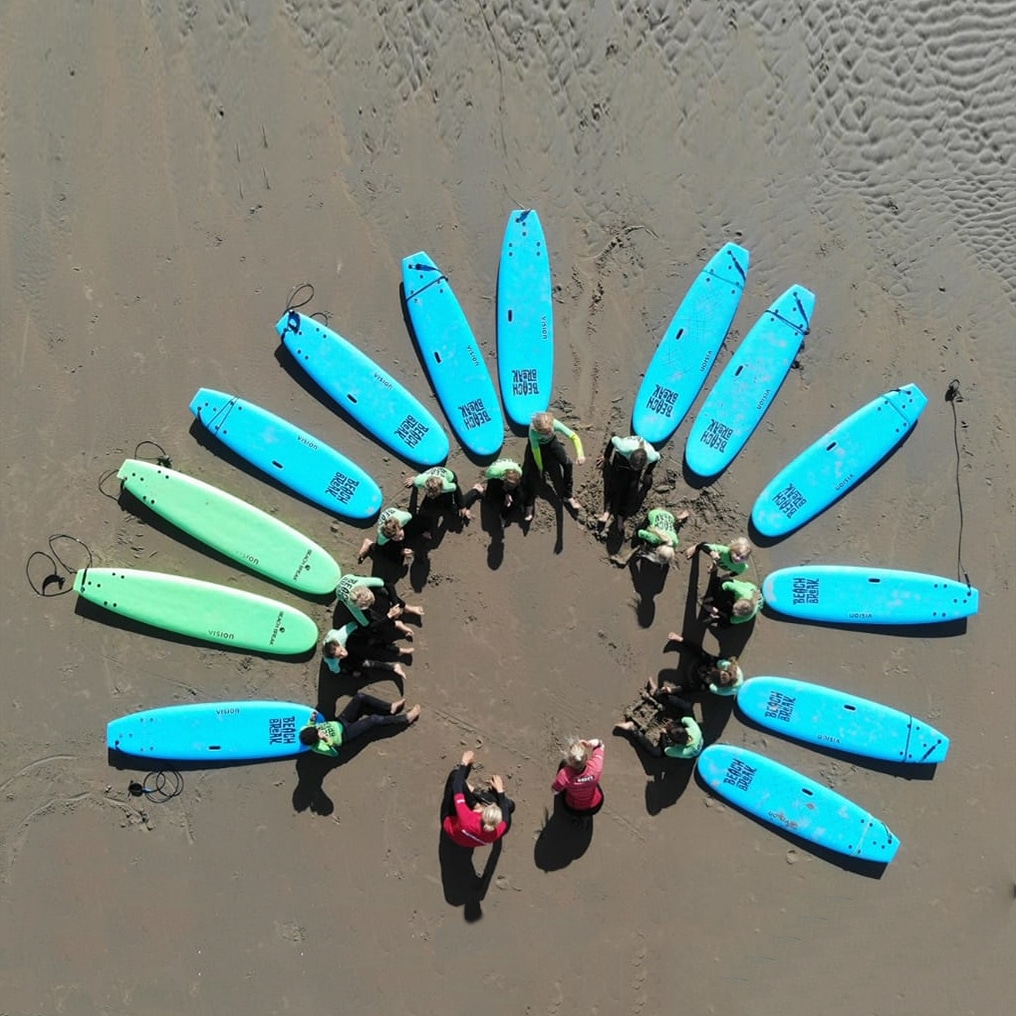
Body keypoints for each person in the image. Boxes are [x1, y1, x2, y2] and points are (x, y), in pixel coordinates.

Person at [299, 697, 421, 757]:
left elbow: (308, 726)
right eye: (317, 732)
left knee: (359, 697)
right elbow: (334, 753)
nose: (317, 729)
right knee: (374, 719)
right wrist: (326, 739)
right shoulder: (318, 747)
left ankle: (390, 707)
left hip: (340, 721)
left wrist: (312, 719)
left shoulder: (305, 731)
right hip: (345, 734)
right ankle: (405, 718)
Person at [441, 750, 514, 848]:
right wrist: (500, 791)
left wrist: (464, 763)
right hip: (469, 839)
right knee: (509, 805)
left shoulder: (466, 817)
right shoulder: (496, 832)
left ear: (482, 814)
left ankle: (473, 794)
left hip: (451, 824)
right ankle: (475, 798)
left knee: (455, 776)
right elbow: (506, 817)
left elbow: (456, 786)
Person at [523, 411, 585, 520]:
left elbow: (574, 437)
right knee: (532, 473)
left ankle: (568, 495)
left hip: (552, 443)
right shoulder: (533, 434)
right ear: (539, 431)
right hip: (537, 447)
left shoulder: (554, 424)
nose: (549, 433)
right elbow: (536, 452)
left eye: (550, 431)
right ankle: (529, 504)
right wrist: (541, 468)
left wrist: (580, 454)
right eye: (545, 433)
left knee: (568, 463)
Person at [597, 435, 660, 531]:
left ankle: (620, 515)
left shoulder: (651, 456)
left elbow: (657, 458)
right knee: (614, 482)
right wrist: (606, 457)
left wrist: (647, 473)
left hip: (636, 463)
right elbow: (613, 439)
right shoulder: (623, 448)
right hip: (622, 459)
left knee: (632, 488)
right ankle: (607, 512)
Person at [614, 693, 704, 759]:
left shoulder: (681, 751)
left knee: (656, 753)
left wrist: (663, 734)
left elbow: (666, 749)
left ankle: (632, 729)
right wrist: (673, 724)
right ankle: (658, 693)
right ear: (685, 729)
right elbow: (684, 719)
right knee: (687, 707)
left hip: (687, 751)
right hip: (695, 739)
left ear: (674, 742)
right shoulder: (694, 730)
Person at [335, 574, 424, 635]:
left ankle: (406, 607)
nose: (371, 604)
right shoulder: (353, 605)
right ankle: (397, 624)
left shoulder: (363, 582)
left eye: (370, 601)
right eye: (367, 605)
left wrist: (395, 605)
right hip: (343, 594)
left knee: (384, 592)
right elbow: (368, 626)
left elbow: (388, 584)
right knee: (375, 621)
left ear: (367, 589)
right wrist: (389, 616)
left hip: (349, 577)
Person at [320, 624, 412, 681]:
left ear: (339, 645)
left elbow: (353, 625)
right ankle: (393, 667)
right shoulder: (332, 662)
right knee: (365, 663)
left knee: (369, 641)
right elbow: (337, 671)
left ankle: (398, 650)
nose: (343, 654)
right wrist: (351, 673)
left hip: (347, 640)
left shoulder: (340, 636)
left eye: (341, 651)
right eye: (339, 656)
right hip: (343, 653)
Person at [659, 636, 745, 695]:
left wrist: (707, 681)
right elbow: (716, 661)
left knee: (700, 688)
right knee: (704, 655)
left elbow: (711, 687)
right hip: (721, 668)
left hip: (726, 687)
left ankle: (673, 690)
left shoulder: (721, 690)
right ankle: (680, 639)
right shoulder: (727, 665)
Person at [612, 507, 689, 567]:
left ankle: (680, 517)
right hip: (653, 513)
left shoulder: (674, 541)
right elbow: (639, 532)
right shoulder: (654, 538)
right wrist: (639, 541)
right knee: (639, 532)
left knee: (670, 520)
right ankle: (639, 546)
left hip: (668, 515)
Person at [461, 457, 524, 526]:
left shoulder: (519, 472)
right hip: (495, 476)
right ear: (504, 480)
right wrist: (505, 493)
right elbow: (494, 484)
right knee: (493, 498)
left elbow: (515, 484)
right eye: (510, 485)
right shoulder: (494, 473)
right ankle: (481, 490)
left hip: (508, 473)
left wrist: (509, 493)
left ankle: (506, 513)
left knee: (519, 495)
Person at [551, 738, 605, 815]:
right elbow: (600, 744)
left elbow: (555, 791)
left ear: (569, 759)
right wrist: (588, 744)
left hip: (574, 809)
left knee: (563, 763)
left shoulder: (564, 775)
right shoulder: (596, 766)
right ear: (586, 757)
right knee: (595, 778)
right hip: (595, 805)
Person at [404, 466, 470, 527]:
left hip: (450, 476)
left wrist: (462, 506)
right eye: (429, 493)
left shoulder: (446, 487)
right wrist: (413, 479)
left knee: (449, 505)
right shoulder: (419, 481)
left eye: (435, 494)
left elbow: (457, 490)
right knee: (429, 503)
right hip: (432, 475)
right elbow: (415, 479)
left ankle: (475, 490)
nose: (432, 496)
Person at [357, 507, 425, 566]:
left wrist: (422, 531)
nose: (400, 539)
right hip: (388, 532)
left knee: (423, 523)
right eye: (395, 538)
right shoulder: (382, 537)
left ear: (400, 527)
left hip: (398, 518)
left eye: (400, 535)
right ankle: (369, 543)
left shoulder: (405, 518)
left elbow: (413, 519)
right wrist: (400, 551)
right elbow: (380, 547)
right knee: (391, 556)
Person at [684, 537, 753, 576]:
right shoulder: (724, 550)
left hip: (721, 563)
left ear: (746, 559)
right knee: (702, 546)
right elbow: (704, 546)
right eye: (737, 554)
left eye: (742, 557)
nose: (738, 558)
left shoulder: (742, 567)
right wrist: (711, 552)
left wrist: (728, 575)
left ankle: (715, 566)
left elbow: (737, 572)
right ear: (732, 550)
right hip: (718, 557)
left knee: (717, 563)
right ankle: (696, 547)